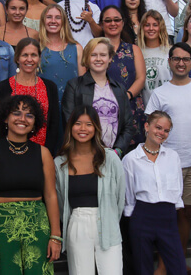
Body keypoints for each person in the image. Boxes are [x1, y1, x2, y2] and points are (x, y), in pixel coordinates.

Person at [144, 42, 191, 275]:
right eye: (177, 59)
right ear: (170, 62)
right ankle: (167, 264)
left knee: (186, 214)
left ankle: (177, 263)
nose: (181, 63)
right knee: (167, 216)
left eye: (186, 59)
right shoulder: (160, 93)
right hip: (165, 164)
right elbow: (152, 130)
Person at [0, 95, 61, 275]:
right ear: (5, 118)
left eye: (29, 115)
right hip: (1, 227)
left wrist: (55, 236)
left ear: (35, 122)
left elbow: (51, 195)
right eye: (16, 113)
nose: (22, 119)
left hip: (37, 226)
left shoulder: (43, 153)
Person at [54, 105, 124, 275]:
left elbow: (120, 198)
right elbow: (60, 200)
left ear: (96, 128)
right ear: (70, 127)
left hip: (108, 224)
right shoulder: (60, 163)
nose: (83, 129)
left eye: (89, 124)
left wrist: (111, 220)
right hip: (77, 224)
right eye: (78, 123)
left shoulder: (111, 158)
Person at [123, 111, 187, 275]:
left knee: (178, 267)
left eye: (166, 130)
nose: (161, 133)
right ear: (147, 126)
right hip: (142, 216)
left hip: (168, 216)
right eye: (158, 127)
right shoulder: (131, 159)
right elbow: (128, 194)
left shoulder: (172, 157)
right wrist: (133, 215)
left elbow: (177, 188)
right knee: (143, 268)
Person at [61, 37, 136, 157]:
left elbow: (128, 125)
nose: (98, 59)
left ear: (110, 58)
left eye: (103, 55)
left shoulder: (119, 89)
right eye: (93, 55)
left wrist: (118, 151)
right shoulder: (74, 86)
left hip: (113, 156)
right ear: (87, 58)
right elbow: (69, 121)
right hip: (84, 154)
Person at [0, 38, 60, 155]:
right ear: (17, 58)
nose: (29, 59)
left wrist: (48, 152)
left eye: (33, 55)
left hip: (42, 152)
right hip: (11, 152)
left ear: (39, 58)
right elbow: (0, 124)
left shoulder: (49, 87)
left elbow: (54, 123)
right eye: (25, 55)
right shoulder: (4, 87)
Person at [101, 5, 147, 147]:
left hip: (131, 106)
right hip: (104, 109)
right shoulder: (95, 49)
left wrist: (126, 96)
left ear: (122, 22)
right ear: (102, 24)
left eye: (116, 19)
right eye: (108, 20)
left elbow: (141, 78)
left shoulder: (133, 49)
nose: (113, 23)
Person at [38, 4, 85, 104]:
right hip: (44, 104)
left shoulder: (77, 48)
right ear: (43, 21)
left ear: (63, 22)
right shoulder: (37, 48)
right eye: (49, 17)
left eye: (58, 17)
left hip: (71, 104)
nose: (53, 21)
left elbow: (83, 84)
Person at [136, 10, 171, 104]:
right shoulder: (136, 52)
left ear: (161, 27)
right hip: (146, 107)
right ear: (142, 28)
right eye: (147, 25)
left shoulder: (170, 51)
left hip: (168, 105)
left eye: (155, 25)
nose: (151, 28)